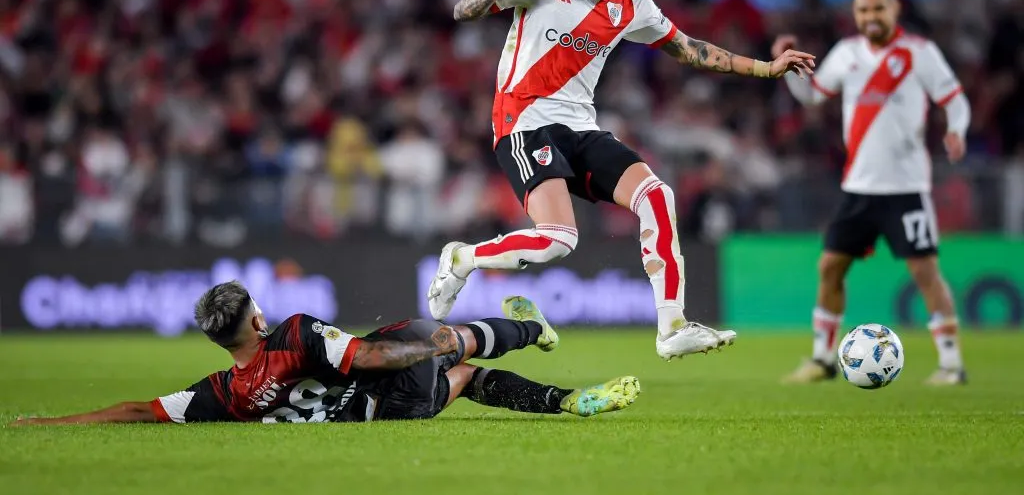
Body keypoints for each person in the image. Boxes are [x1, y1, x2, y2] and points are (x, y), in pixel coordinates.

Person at [426, 0, 815, 360]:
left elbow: (690, 49)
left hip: (580, 125)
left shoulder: (634, 3)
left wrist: (767, 68)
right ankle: (462, 259)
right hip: (524, 121)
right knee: (558, 239)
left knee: (656, 195)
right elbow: (462, 9)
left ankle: (672, 327)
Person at [12, 282, 639, 425]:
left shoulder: (222, 393)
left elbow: (138, 412)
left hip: (385, 419)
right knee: (440, 337)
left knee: (470, 377)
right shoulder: (293, 333)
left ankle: (566, 402)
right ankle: (533, 332)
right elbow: (367, 359)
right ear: (256, 318)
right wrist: (425, 346)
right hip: (389, 388)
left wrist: (52, 423)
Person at [777, 0, 971, 386]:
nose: (870, 17)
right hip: (858, 188)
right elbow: (814, 94)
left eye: (878, 9)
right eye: (863, 10)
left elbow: (954, 99)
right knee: (830, 267)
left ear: (894, 9)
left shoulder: (920, 53)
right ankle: (822, 358)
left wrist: (957, 129)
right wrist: (790, 69)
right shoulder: (847, 53)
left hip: (906, 188)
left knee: (925, 273)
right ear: (855, 13)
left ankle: (951, 365)